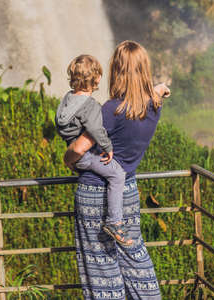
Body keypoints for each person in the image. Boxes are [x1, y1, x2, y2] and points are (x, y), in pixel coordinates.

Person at [64, 41, 169, 300]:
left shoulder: (110, 110)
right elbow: (153, 93)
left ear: (116, 71)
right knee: (134, 257)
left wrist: (68, 159)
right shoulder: (154, 106)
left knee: (102, 267)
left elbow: (79, 147)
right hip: (128, 192)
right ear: (145, 70)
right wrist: (159, 88)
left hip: (94, 195)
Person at [55, 54, 131, 246]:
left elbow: (61, 123)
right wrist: (107, 147)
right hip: (86, 156)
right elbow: (96, 129)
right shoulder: (90, 106)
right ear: (97, 79)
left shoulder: (68, 98)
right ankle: (115, 222)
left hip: (74, 152)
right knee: (117, 175)